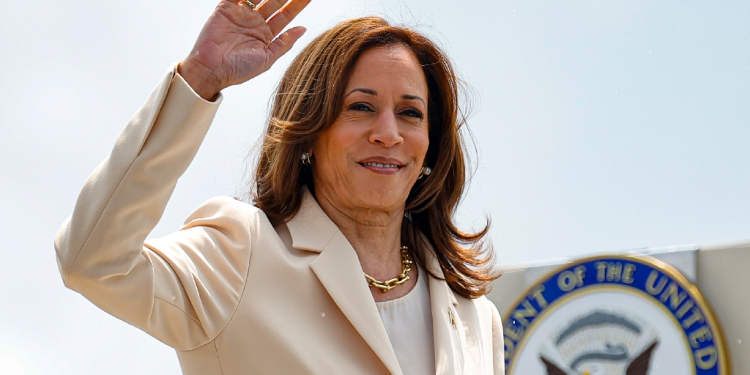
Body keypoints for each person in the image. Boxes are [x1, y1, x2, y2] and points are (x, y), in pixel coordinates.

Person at [54, 0, 504, 373]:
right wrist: (199, 80)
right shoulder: (241, 253)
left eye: (411, 113)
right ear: (309, 132)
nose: (388, 133)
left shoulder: (476, 315)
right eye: (361, 107)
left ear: (431, 146)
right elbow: (93, 262)